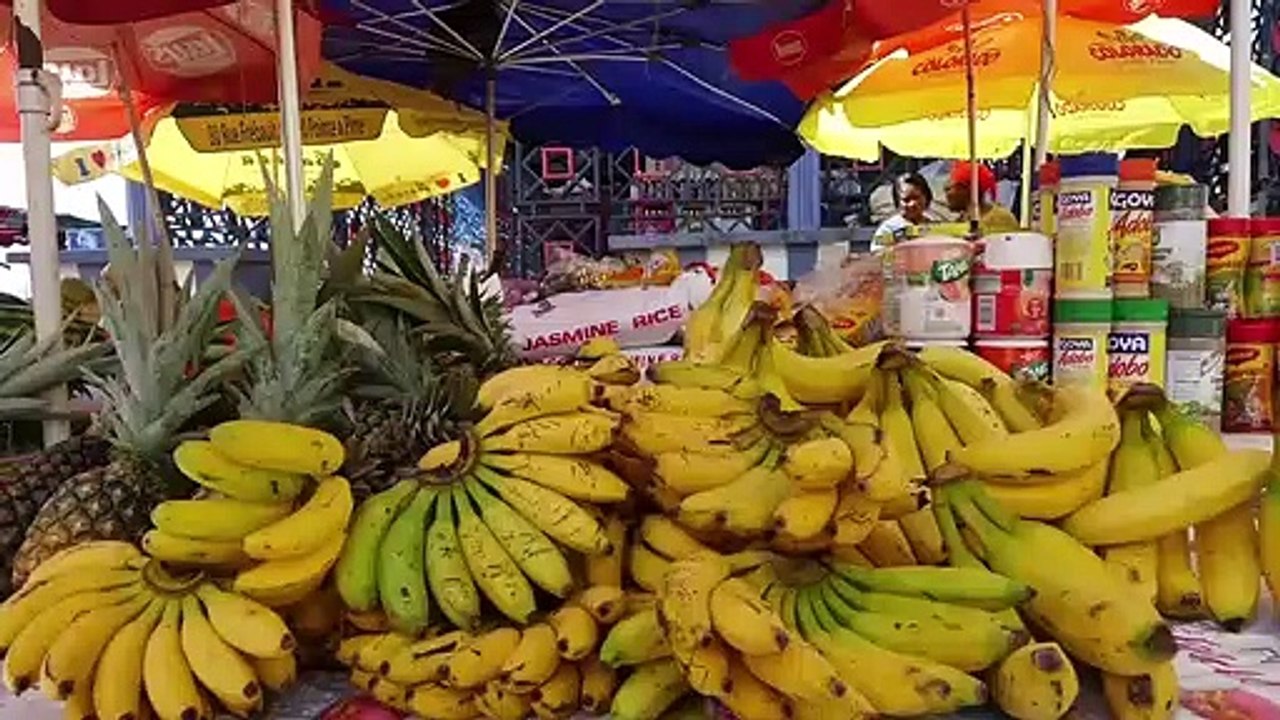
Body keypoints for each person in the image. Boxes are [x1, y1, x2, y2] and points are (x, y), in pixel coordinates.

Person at [946, 161, 1019, 234]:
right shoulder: (964, 219)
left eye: (949, 188)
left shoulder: (1000, 220)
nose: (946, 193)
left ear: (967, 190)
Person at [871, 172, 934, 251]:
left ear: (926, 198)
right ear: (897, 201)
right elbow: (878, 253)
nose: (912, 204)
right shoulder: (888, 229)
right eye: (906, 200)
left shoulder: (933, 226)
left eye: (916, 197)